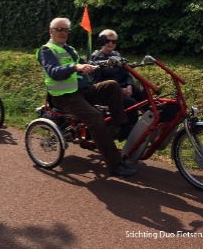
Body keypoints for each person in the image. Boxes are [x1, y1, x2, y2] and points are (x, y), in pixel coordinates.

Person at [36, 18, 137, 178]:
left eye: (66, 30)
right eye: (59, 29)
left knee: (111, 85)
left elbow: (87, 64)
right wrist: (75, 67)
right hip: (64, 97)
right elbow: (54, 71)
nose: (63, 33)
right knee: (95, 117)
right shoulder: (46, 50)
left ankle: (121, 125)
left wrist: (104, 63)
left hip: (82, 92)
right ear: (51, 31)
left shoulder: (70, 50)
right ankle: (115, 165)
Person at [90, 29, 147, 134]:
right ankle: (128, 131)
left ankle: (153, 121)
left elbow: (126, 73)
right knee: (132, 104)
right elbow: (97, 83)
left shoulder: (117, 55)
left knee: (144, 93)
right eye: (108, 41)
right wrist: (121, 90)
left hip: (123, 87)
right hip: (109, 92)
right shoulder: (95, 59)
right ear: (102, 41)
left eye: (114, 41)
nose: (111, 43)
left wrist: (130, 85)